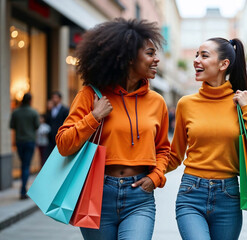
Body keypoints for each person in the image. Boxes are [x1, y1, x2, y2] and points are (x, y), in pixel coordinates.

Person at [55, 18, 170, 240]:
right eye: (149, 53)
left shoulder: (157, 102)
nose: (156, 59)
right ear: (127, 57)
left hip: (140, 196)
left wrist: (156, 177)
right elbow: (63, 144)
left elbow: (163, 150)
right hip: (96, 193)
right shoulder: (90, 95)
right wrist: (94, 116)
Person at [167, 37, 247, 240]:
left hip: (229, 196)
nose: (196, 60)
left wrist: (246, 107)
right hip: (191, 193)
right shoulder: (185, 104)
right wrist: (147, 172)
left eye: (204, 55)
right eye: (197, 55)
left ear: (224, 64)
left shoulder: (244, 101)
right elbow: (174, 155)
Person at [9, 93, 40, 200]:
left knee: (23, 165)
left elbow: (11, 125)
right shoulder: (33, 112)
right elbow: (37, 126)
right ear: (30, 100)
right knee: (26, 166)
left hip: (19, 141)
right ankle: (23, 191)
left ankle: (23, 190)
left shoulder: (16, 112)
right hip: (30, 141)